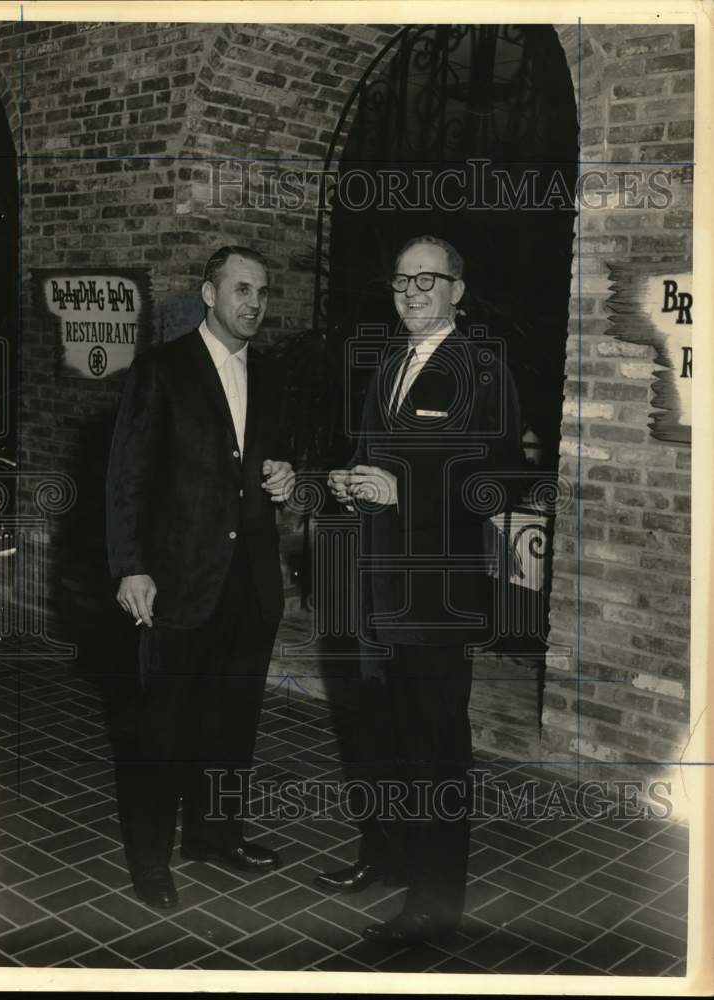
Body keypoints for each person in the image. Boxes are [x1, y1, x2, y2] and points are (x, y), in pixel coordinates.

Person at [320, 235, 522, 946]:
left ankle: (436, 905)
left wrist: (403, 489)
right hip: (375, 587)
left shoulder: (483, 369)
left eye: (427, 280)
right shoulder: (390, 362)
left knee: (434, 749)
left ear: (456, 292)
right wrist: (346, 482)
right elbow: (371, 453)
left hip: (437, 597)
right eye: (401, 280)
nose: (410, 292)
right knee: (380, 735)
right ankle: (385, 855)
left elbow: (493, 482)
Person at [106, 245, 295, 909]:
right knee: (162, 731)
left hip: (247, 584)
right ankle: (151, 863)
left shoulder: (268, 374)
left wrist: (283, 475)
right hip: (177, 582)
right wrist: (130, 566)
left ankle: (216, 838)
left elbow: (265, 460)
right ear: (209, 295)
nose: (254, 303)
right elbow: (127, 476)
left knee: (231, 723)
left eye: (263, 292)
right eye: (241, 289)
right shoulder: (162, 370)